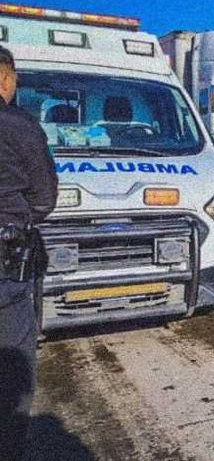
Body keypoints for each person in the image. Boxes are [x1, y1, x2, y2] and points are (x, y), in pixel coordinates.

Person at [0, 45, 58, 460]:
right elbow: (44, 197)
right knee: (12, 364)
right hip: (6, 256)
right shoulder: (18, 126)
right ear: (7, 78)